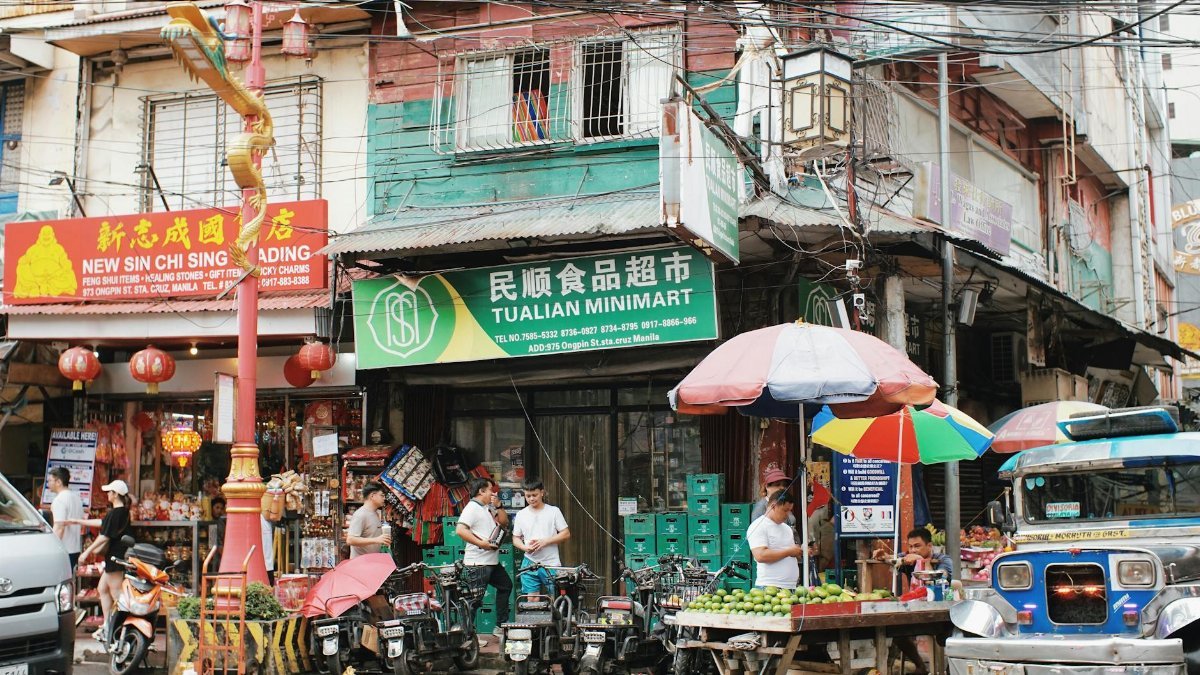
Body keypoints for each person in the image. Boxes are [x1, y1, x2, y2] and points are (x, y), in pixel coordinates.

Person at [70, 480, 132, 647]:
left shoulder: (116, 513)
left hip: (115, 557)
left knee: (117, 593)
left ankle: (123, 626)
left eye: (109, 491)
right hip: (116, 556)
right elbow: (102, 524)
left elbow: (104, 536)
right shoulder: (122, 512)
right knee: (102, 589)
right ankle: (108, 624)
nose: (107, 494)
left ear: (115, 494)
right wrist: (78, 521)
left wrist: (86, 552)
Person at [456, 477, 512, 638]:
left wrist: (498, 505)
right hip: (478, 562)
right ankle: (466, 637)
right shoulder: (472, 508)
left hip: (491, 562)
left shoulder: (487, 507)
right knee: (474, 601)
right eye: (490, 490)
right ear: (481, 491)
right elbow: (460, 530)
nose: (493, 493)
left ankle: (500, 626)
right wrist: (482, 543)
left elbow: (504, 522)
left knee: (505, 586)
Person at [511, 478, 570, 596]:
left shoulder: (553, 511)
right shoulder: (521, 514)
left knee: (556, 597)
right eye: (528, 496)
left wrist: (545, 541)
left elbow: (566, 534)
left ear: (542, 493)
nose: (531, 499)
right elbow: (515, 538)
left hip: (551, 562)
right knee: (532, 599)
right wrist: (524, 547)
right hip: (529, 562)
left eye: (534, 495)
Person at [747, 492, 802, 590]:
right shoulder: (759, 525)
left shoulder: (787, 528)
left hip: (791, 587)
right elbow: (761, 555)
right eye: (785, 510)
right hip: (770, 587)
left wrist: (800, 552)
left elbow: (789, 553)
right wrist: (789, 552)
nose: (787, 515)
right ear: (773, 506)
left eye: (789, 511)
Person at [47, 466, 84, 570]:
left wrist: (52, 548)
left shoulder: (59, 500)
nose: (48, 484)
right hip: (75, 548)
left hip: (64, 550)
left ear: (58, 482)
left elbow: (59, 527)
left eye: (50, 480)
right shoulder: (76, 498)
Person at [346, 482, 391, 558]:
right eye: (382, 495)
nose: (384, 498)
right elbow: (350, 540)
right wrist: (376, 540)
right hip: (361, 564)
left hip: (372, 562)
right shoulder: (360, 514)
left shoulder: (375, 513)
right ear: (372, 496)